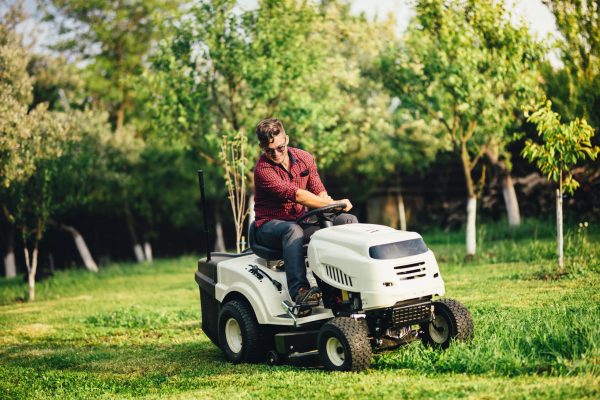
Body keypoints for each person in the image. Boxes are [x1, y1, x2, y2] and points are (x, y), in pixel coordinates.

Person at [252, 118, 358, 314]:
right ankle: (300, 291)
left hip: (300, 221)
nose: (276, 154)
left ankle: (347, 284)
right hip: (269, 227)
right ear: (262, 148)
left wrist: (332, 205)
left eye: (280, 148)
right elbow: (298, 195)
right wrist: (336, 203)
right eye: (269, 151)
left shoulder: (305, 158)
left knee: (346, 221)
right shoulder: (263, 170)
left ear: (287, 139)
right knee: (293, 231)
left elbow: (319, 192)